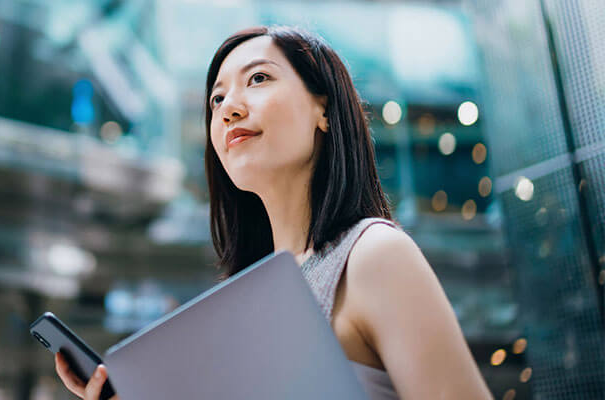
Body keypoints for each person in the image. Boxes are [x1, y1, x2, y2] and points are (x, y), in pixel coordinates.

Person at [55, 25, 492, 399]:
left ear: (323, 108)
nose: (228, 109)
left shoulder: (373, 255)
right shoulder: (244, 304)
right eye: (216, 100)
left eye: (258, 78)